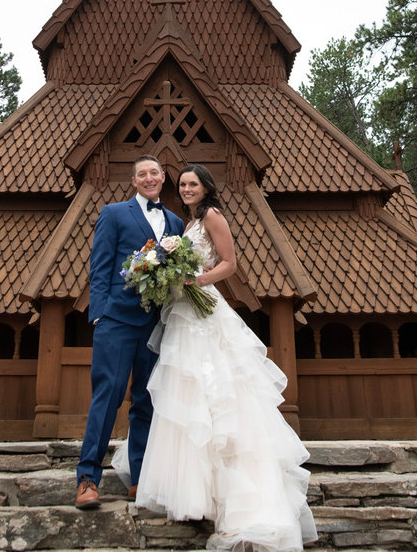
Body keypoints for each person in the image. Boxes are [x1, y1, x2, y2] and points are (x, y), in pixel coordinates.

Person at [123, 163, 317, 552]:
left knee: (217, 391)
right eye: (183, 185)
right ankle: (193, 492)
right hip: (181, 311)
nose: (187, 188)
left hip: (204, 308)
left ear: (206, 187)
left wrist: (195, 279)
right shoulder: (187, 222)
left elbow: (229, 263)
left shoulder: (212, 216)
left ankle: (234, 493)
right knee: (185, 389)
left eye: (193, 183)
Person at [75, 154, 184, 510]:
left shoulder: (175, 223)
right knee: (106, 397)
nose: (149, 178)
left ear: (163, 177)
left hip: (156, 325)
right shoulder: (114, 213)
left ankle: (140, 478)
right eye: (142, 174)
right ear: (134, 180)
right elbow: (101, 264)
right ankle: (88, 478)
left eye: (155, 173)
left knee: (146, 401)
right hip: (117, 321)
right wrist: (99, 315)